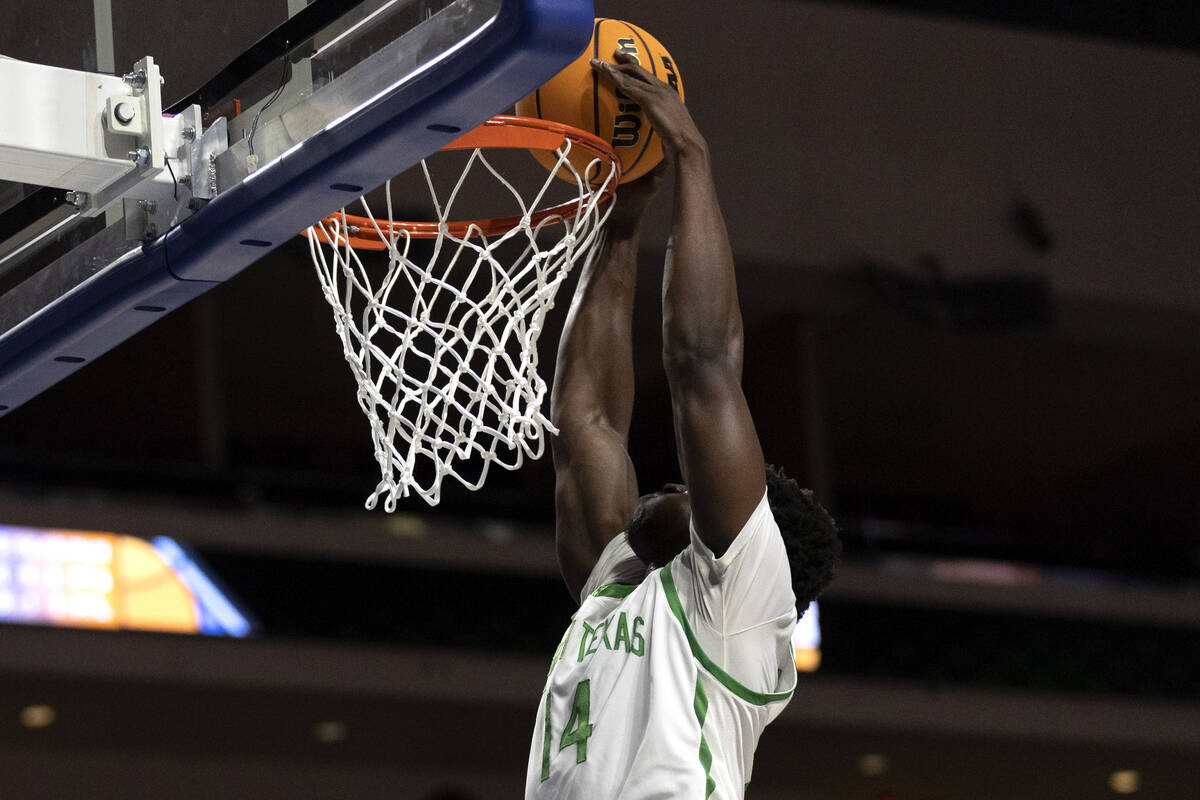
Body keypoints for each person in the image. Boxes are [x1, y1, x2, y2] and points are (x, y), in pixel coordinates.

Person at [524, 51, 842, 799]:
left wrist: (692, 155)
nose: (675, 480)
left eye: (694, 488)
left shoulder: (740, 603)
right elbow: (587, 421)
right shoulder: (626, 586)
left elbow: (702, 364)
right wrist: (623, 219)